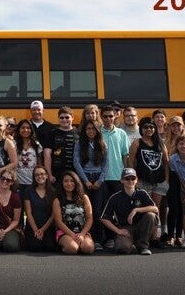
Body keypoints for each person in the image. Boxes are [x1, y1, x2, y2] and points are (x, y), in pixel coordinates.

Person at [126, 116, 169, 244]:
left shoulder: (160, 143)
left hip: (159, 181)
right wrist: (134, 179)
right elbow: (131, 161)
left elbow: (167, 163)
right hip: (143, 180)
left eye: (151, 127)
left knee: (156, 208)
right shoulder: (137, 142)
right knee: (145, 208)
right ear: (141, 129)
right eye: (146, 127)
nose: (149, 129)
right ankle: (144, 236)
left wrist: (166, 180)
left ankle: (154, 236)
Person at [101, 168, 159, 255]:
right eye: (127, 179)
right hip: (125, 228)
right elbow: (104, 218)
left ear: (137, 180)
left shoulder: (142, 193)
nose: (130, 181)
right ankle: (131, 245)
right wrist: (118, 231)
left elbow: (155, 209)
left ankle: (142, 246)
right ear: (122, 180)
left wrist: (136, 210)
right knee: (123, 248)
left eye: (133, 178)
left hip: (141, 227)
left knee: (151, 215)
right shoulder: (115, 197)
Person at [73, 119, 108, 249]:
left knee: (97, 210)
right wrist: (85, 181)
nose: (90, 131)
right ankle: (86, 235)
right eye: (88, 129)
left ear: (97, 130)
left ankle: (98, 238)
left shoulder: (102, 144)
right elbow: (76, 163)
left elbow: (106, 164)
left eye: (93, 129)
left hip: (98, 178)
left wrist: (100, 181)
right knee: (85, 209)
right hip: (84, 178)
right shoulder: (79, 144)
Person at [52, 170, 94, 254]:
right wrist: (72, 235)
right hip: (65, 232)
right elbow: (58, 222)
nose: (69, 183)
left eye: (72, 181)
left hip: (82, 232)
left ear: (76, 182)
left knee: (88, 248)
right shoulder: (57, 200)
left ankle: (80, 245)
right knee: (72, 249)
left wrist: (82, 234)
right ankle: (66, 245)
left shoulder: (84, 198)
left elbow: (89, 218)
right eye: (66, 181)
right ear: (62, 183)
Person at [24, 166, 57, 252]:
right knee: (35, 247)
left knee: (50, 247)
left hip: (47, 226)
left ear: (47, 176)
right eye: (37, 175)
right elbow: (28, 213)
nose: (39, 176)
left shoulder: (53, 192)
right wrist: (36, 230)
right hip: (33, 226)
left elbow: (54, 215)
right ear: (34, 177)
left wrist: (42, 230)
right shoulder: (28, 191)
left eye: (42, 174)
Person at [164, 115, 185, 246]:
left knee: (182, 208)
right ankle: (170, 235)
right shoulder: (166, 141)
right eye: (173, 125)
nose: (176, 127)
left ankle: (179, 235)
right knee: (173, 208)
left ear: (182, 126)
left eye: (178, 125)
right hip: (172, 177)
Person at [100, 105, 130, 199]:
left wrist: (125, 173)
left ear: (115, 116)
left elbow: (125, 155)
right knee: (104, 207)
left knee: (119, 207)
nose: (108, 119)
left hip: (118, 176)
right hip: (101, 177)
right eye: (105, 116)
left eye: (110, 116)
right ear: (101, 117)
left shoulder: (121, 133)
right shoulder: (97, 133)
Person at [44, 106, 78, 183]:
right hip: (56, 175)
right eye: (61, 118)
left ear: (72, 118)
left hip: (76, 174)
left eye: (67, 117)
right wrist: (49, 175)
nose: (64, 120)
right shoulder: (52, 134)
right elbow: (47, 155)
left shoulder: (79, 133)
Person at [14, 119, 43, 200]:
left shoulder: (36, 144)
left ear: (31, 130)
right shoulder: (13, 144)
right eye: (22, 128)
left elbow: (40, 164)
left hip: (33, 182)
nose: (25, 130)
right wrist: (14, 179)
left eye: (28, 128)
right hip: (18, 182)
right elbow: (11, 163)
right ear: (19, 129)